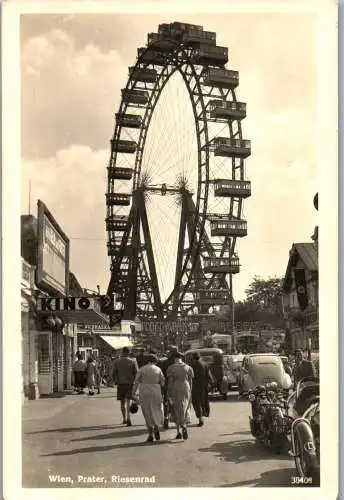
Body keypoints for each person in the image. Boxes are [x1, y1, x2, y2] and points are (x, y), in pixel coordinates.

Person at [132, 353, 165, 442]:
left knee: (146, 412)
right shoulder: (158, 369)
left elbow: (136, 382)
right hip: (156, 391)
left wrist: (133, 393)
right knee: (156, 410)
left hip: (144, 391)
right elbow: (162, 383)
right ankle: (156, 426)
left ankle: (150, 434)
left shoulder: (142, 369)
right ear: (155, 361)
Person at [166, 351, 194, 440]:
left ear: (174, 359)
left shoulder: (171, 368)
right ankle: (184, 425)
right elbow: (191, 381)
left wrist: (168, 393)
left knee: (176, 408)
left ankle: (179, 431)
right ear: (181, 358)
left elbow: (170, 382)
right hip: (186, 388)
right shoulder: (188, 367)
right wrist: (190, 391)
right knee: (185, 408)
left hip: (176, 387)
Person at [112, 347, 138, 426]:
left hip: (121, 384)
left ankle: (124, 419)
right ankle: (129, 418)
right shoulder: (133, 361)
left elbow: (113, 373)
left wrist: (115, 381)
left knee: (122, 403)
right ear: (128, 352)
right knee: (128, 401)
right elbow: (136, 373)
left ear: (122, 352)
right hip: (130, 384)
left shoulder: (116, 361)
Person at [189, 352, 212, 427]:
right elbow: (209, 376)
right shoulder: (205, 364)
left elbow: (190, 377)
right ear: (200, 357)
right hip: (204, 386)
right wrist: (210, 383)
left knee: (196, 403)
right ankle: (204, 414)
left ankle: (200, 419)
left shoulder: (191, 365)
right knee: (203, 401)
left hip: (195, 387)